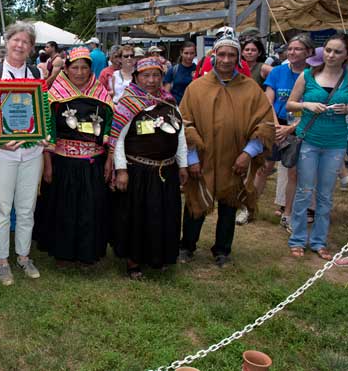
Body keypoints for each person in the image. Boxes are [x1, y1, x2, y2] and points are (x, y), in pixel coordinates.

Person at [178, 33, 274, 267]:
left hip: (235, 159)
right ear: (213, 57)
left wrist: (247, 154)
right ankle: (186, 246)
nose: (226, 59)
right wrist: (191, 159)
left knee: (229, 207)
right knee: (194, 203)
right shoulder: (196, 88)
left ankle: (222, 250)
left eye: (232, 55)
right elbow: (186, 124)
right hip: (202, 158)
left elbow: (264, 124)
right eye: (221, 54)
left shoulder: (250, 88)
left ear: (238, 58)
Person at [34, 46, 114, 266]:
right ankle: (63, 251)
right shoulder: (54, 98)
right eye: (75, 67)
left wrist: (108, 161)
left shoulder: (102, 96)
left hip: (93, 164)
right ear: (66, 69)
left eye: (84, 68)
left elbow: (109, 131)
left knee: (91, 209)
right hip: (63, 164)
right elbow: (49, 132)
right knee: (64, 210)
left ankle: (89, 250)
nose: (80, 72)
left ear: (91, 70)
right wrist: (48, 165)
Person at [0, 21, 44, 285]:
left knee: (27, 207)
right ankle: (2, 260)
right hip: (2, 152)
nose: (20, 45)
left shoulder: (36, 73)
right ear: (7, 42)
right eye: (16, 40)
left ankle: (23, 255)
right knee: (2, 207)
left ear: (31, 48)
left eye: (26, 42)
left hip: (32, 151)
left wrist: (42, 133)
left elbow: (41, 110)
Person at [111, 58, 188, 279]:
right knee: (138, 218)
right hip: (138, 173)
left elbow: (180, 135)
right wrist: (122, 170)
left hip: (167, 172)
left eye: (156, 75)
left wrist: (182, 164)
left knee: (164, 216)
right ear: (136, 77)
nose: (151, 80)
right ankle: (134, 262)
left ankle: (159, 257)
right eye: (146, 75)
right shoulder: (127, 104)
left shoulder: (170, 102)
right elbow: (118, 140)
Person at [286, 33, 348, 260]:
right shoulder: (307, 75)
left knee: (325, 194)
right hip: (310, 140)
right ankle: (297, 239)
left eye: (337, 51)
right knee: (304, 191)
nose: (331, 55)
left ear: (346, 55)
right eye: (328, 50)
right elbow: (290, 105)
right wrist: (307, 105)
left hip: (337, 142)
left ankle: (319, 241)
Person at [247, 34, 312, 229]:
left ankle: (288, 214)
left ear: (308, 52)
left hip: (299, 126)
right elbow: (268, 100)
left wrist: (291, 128)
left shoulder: (312, 74)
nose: (292, 52)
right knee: (263, 168)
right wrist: (276, 126)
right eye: (290, 49)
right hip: (274, 124)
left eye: (298, 49)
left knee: (293, 172)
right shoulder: (277, 72)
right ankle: (249, 208)